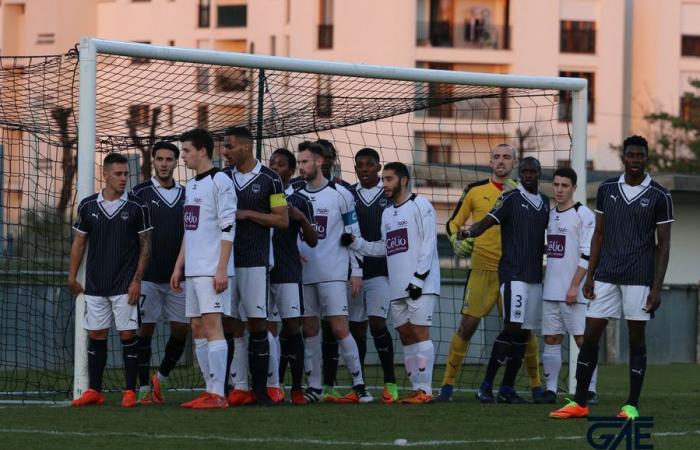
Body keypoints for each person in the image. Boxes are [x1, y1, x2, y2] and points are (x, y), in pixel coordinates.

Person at [550, 135, 673, 420]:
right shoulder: (607, 189)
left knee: (636, 340)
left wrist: (657, 287)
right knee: (590, 335)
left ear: (646, 158)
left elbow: (664, 245)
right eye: (630, 155)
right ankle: (579, 402)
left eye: (640, 155)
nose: (634, 160)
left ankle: (631, 405)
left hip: (640, 278)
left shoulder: (660, 195)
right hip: (606, 273)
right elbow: (599, 235)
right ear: (624, 157)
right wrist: (589, 275)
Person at [438, 144, 544, 402]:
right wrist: (456, 241)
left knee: (524, 331)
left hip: (515, 270)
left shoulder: (525, 193)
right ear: (490, 162)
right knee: (467, 326)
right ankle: (447, 386)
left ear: (514, 163)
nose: (501, 161)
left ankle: (536, 385)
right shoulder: (475, 190)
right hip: (483, 269)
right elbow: (453, 223)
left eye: (507, 157)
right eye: (496, 156)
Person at [345, 162, 440, 404]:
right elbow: (383, 248)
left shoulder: (421, 205)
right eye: (383, 179)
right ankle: (416, 388)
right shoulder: (387, 213)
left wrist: (419, 278)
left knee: (420, 332)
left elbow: (429, 244)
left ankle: (426, 391)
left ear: (403, 180)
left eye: (388, 179)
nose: (384, 184)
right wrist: (356, 242)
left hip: (421, 284)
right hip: (396, 286)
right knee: (406, 335)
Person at [462, 157, 549, 404]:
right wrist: (468, 232)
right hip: (513, 275)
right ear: (520, 174)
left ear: (539, 174)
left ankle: (507, 389)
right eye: (525, 172)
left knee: (524, 333)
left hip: (534, 276)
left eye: (533, 171)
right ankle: (486, 385)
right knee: (512, 327)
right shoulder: (511, 198)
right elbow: (487, 222)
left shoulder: (544, 202)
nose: (529, 175)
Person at [69, 152, 152, 408]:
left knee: (128, 334)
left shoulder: (138, 206)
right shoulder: (87, 205)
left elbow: (146, 245)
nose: (123, 178)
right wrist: (71, 276)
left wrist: (137, 279)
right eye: (118, 173)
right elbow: (79, 242)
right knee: (97, 334)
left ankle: (129, 391)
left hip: (125, 284)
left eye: (126, 174)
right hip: (95, 284)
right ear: (104, 174)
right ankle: (95, 390)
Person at [296, 141, 372, 403]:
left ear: (319, 162)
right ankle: (315, 388)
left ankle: (359, 385)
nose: (301, 166)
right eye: (300, 162)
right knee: (310, 329)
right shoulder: (295, 194)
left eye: (305, 161)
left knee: (340, 328)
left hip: (333, 272)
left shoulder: (341, 194)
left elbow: (354, 235)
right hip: (304, 273)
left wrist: (357, 270)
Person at [221, 126, 289, 406]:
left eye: (229, 146)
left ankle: (262, 391)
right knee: (228, 324)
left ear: (246, 147)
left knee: (258, 324)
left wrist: (247, 213)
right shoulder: (222, 178)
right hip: (225, 263)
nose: (225, 151)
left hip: (255, 262)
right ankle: (234, 387)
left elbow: (282, 220)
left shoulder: (271, 179)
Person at [171, 128, 236, 409]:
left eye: (186, 151)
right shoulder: (192, 185)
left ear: (202, 151)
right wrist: (178, 266)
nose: (182, 156)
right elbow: (190, 228)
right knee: (197, 329)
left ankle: (219, 394)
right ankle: (210, 389)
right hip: (194, 269)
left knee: (213, 329)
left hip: (212, 269)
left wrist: (221, 268)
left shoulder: (221, 181)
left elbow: (229, 227)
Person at [131, 141, 189, 405]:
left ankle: (161, 378)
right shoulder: (139, 193)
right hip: (148, 277)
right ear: (152, 161)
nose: (164, 163)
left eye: (169, 159)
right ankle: (143, 387)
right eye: (160, 159)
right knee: (144, 331)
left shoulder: (188, 194)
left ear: (176, 162)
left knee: (181, 330)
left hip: (180, 276)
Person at [538, 167, 598, 404]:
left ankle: (589, 390)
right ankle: (551, 390)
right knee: (551, 339)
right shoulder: (550, 215)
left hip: (575, 293)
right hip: (551, 291)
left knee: (583, 341)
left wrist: (574, 286)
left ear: (574, 187)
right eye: (556, 185)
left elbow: (588, 254)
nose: (559, 189)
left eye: (564, 185)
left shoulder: (584, 214)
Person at [346, 148, 398, 403]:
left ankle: (391, 383)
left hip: (380, 270)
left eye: (369, 164)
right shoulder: (348, 195)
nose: (364, 168)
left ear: (379, 167)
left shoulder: (388, 195)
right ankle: (360, 385)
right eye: (359, 165)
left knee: (378, 324)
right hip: (353, 272)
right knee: (356, 328)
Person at [269, 148, 319, 405]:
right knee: (267, 330)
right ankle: (272, 385)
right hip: (263, 271)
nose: (275, 168)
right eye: (272, 164)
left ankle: (297, 388)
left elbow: (312, 241)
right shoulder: (261, 195)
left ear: (290, 171)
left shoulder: (300, 201)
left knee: (292, 329)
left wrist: (300, 218)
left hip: (288, 271)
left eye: (280, 165)